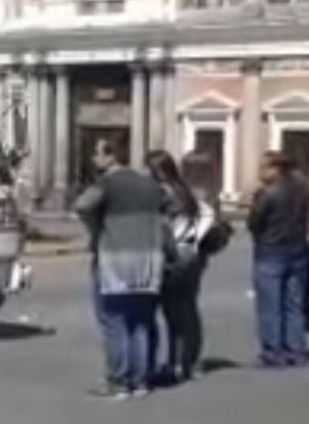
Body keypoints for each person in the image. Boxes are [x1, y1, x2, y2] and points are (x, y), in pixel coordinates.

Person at [74, 139, 171, 399]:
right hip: (149, 258)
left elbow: (82, 206)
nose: (93, 159)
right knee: (141, 321)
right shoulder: (150, 184)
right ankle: (141, 381)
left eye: (96, 154)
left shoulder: (107, 183)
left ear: (111, 156)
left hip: (116, 257)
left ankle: (118, 381)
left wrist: (96, 227)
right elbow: (168, 203)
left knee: (114, 320)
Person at [146, 150, 215, 384]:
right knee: (188, 310)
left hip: (174, 255)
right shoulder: (187, 191)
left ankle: (175, 362)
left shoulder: (162, 193)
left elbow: (162, 227)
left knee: (172, 312)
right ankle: (189, 361)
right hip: (193, 254)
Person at [248, 151, 309, 368]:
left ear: (276, 169)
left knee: (270, 305)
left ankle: (273, 350)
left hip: (270, 251)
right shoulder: (303, 189)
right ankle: (296, 349)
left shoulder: (267, 193)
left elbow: (254, 222)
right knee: (294, 304)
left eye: (263, 167)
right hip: (299, 249)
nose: (259, 172)